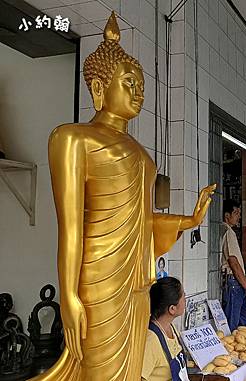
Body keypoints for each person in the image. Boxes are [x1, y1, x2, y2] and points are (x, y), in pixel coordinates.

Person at [31, 13, 216, 381]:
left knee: (130, 369)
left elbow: (141, 221)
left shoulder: (143, 157)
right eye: (129, 82)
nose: (139, 92)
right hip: (98, 277)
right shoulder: (72, 139)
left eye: (142, 84)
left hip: (136, 279)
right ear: (99, 89)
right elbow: (71, 228)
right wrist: (68, 294)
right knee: (99, 371)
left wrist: (189, 221)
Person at [142, 277, 189, 381]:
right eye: (183, 296)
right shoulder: (151, 341)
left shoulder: (171, 328)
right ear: (172, 309)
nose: (185, 298)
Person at [221, 200, 246, 331]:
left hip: (237, 284)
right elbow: (233, 263)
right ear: (227, 215)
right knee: (232, 326)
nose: (238, 216)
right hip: (233, 283)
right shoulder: (228, 231)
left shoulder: (228, 231)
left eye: (239, 213)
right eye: (236, 213)